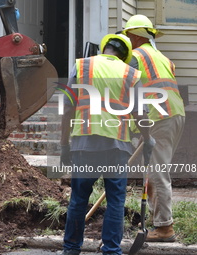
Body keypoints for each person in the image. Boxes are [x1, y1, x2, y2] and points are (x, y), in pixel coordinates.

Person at [58, 34, 155, 255]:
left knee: (78, 200)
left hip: (83, 144)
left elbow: (67, 108)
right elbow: (140, 113)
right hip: (116, 147)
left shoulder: (81, 66)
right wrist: (148, 138)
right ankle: (111, 250)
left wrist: (64, 145)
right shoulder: (130, 74)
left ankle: (71, 249)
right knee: (115, 202)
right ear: (125, 56)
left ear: (104, 49)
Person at [121, 14, 185, 242]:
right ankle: (157, 221)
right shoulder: (162, 57)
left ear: (134, 35)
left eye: (128, 35)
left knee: (157, 171)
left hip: (160, 117)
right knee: (153, 169)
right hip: (173, 114)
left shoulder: (136, 57)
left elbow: (129, 90)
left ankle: (165, 228)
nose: (127, 40)